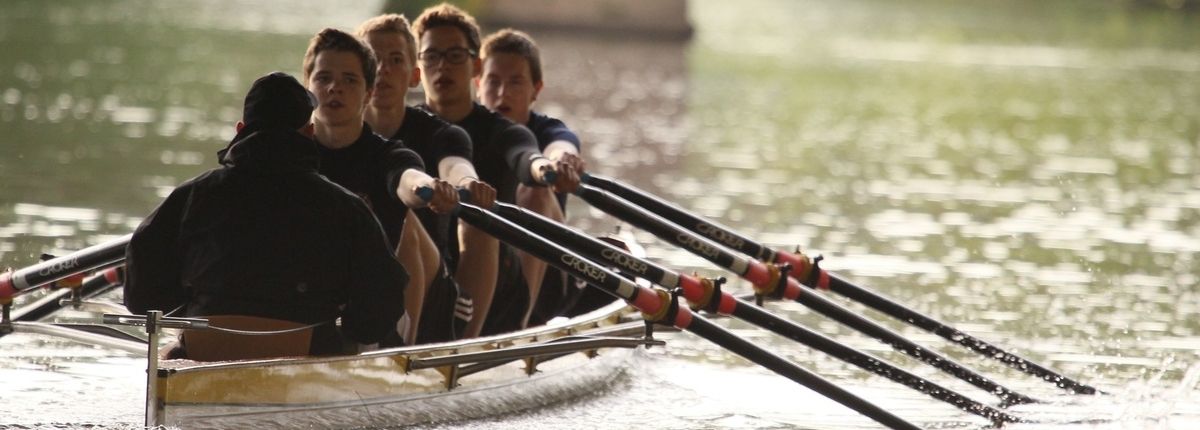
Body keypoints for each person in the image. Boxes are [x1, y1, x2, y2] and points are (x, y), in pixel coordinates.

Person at [124, 72, 408, 357]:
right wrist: (350, 326)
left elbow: (140, 297)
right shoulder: (348, 208)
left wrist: (192, 298)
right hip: (305, 361)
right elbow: (381, 308)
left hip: (206, 354)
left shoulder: (192, 196)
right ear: (309, 132)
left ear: (240, 129)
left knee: (171, 349)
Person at [412, 3, 581, 335]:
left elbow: (536, 153)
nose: (443, 67)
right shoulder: (404, 128)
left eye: (455, 56)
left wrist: (549, 166)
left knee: (508, 202)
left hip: (508, 277)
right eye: (432, 57)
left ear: (472, 66)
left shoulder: (511, 132)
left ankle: (514, 327)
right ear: (417, 68)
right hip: (435, 267)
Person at [301, 28, 459, 345]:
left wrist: (427, 187)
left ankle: (400, 351)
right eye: (324, 78)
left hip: (384, 302)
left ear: (369, 92)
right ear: (308, 86)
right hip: (315, 293)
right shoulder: (288, 151)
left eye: (349, 80)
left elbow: (407, 179)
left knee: (409, 225)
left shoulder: (387, 155)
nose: (334, 88)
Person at [353, 14, 489, 343]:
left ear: (414, 76)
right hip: (354, 281)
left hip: (432, 291)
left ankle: (404, 352)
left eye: (395, 60)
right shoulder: (335, 135)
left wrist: (465, 184)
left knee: (405, 217)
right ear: (362, 76)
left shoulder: (441, 134)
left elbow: (456, 165)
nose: (383, 69)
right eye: (374, 60)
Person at [477, 28, 602, 323]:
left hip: (550, 277)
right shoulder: (458, 133)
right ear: (477, 84)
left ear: (536, 89)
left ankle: (520, 322)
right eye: (493, 81)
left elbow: (561, 146)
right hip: (485, 264)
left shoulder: (549, 131)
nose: (502, 93)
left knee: (533, 189)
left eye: (515, 82)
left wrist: (560, 162)